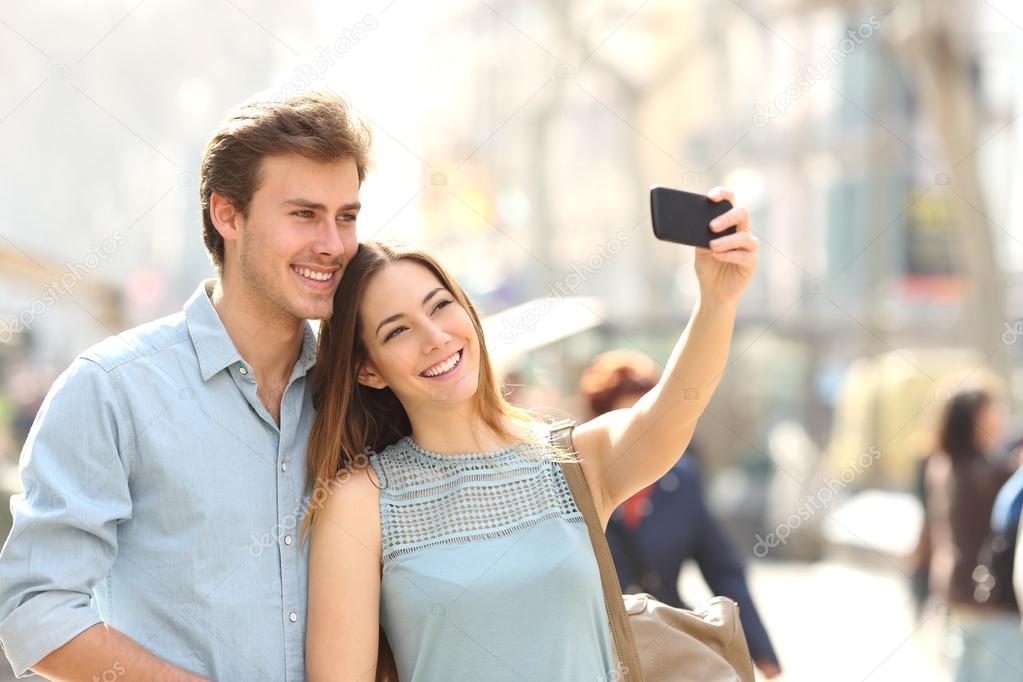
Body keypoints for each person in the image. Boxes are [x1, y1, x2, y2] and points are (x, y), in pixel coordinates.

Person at [303, 186, 758, 681]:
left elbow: (674, 409)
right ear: (368, 370)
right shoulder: (359, 500)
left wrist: (717, 299)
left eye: (439, 306)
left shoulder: (572, 459)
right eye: (397, 331)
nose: (435, 338)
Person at [0, 91, 370, 680]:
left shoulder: (360, 393)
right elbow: (33, 608)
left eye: (346, 216)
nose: (332, 244)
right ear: (227, 215)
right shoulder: (112, 391)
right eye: (304, 214)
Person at [578, 349, 781, 678]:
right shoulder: (575, 482)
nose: (634, 436)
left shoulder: (682, 480)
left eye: (644, 421)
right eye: (624, 421)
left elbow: (722, 567)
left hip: (665, 647)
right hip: (594, 651)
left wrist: (762, 654)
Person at [914, 386, 1022, 681]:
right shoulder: (989, 472)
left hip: (955, 593)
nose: (1000, 417)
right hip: (995, 601)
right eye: (993, 410)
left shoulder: (940, 466)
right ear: (976, 419)